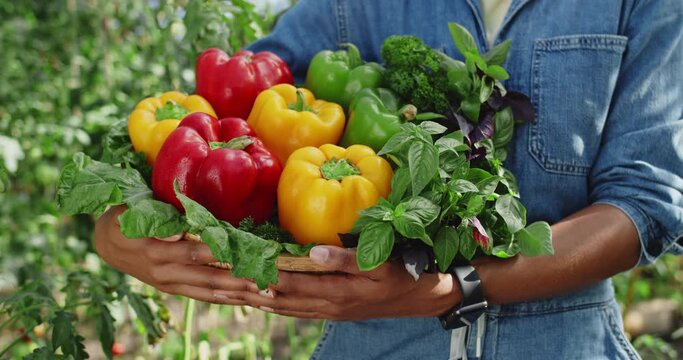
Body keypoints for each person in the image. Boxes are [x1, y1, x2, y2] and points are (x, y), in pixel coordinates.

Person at [94, 0, 683, 358]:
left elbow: (644, 201)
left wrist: (457, 286)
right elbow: (229, 112)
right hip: (372, 346)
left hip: (565, 344)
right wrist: (119, 227)